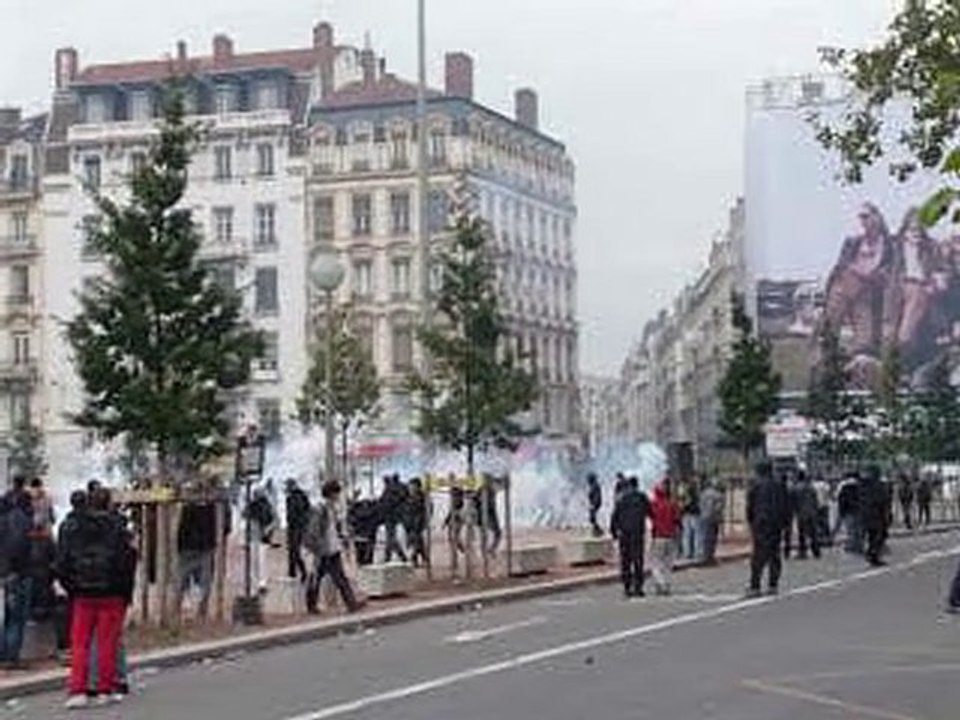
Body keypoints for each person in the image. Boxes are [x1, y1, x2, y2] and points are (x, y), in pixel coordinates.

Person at [58, 487, 132, 708]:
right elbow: (125, 562)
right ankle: (104, 689)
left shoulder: (74, 527)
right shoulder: (118, 527)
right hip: (111, 593)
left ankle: (78, 689)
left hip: (82, 593)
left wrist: (71, 586)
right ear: (109, 503)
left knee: (79, 643)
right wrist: (123, 591)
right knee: (106, 642)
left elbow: (64, 561)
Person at [303, 480, 362, 615]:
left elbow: (332, 529)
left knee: (337, 577)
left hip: (332, 549)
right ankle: (312, 605)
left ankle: (350, 603)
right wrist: (317, 548)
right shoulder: (320, 509)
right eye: (337, 493)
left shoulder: (331, 508)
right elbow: (314, 530)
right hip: (323, 550)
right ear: (331, 493)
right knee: (318, 578)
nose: (338, 496)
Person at [0, 478, 33, 668]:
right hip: (17, 573)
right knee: (17, 617)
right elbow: (19, 548)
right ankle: (11, 657)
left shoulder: (4, 520)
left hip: (5, 573)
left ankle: (4, 653)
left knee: (6, 616)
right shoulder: (20, 521)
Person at [747, 459, 788, 598]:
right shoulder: (779, 486)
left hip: (760, 524)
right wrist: (784, 523)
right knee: (774, 555)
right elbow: (785, 506)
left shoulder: (755, 487)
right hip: (776, 524)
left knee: (758, 555)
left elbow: (750, 508)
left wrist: (751, 523)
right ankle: (773, 585)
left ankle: (755, 586)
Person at [177, 495, 219, 621]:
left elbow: (181, 528)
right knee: (204, 581)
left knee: (182, 580)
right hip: (203, 547)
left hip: (188, 547)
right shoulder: (212, 507)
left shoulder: (187, 508)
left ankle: (178, 608)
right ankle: (201, 610)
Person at [610, 477, 651, 598]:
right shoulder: (641, 497)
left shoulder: (621, 499)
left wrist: (614, 532)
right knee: (638, 560)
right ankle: (638, 587)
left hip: (624, 533)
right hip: (637, 532)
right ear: (637, 485)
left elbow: (615, 516)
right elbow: (649, 512)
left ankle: (627, 587)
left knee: (625, 561)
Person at [649, 479, 680, 596]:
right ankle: (666, 584)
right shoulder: (672, 503)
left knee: (656, 563)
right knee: (668, 564)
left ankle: (660, 584)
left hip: (658, 536)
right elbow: (677, 519)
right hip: (670, 536)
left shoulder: (654, 504)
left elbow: (650, 516)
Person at [244, 489, 277, 594]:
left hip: (256, 537)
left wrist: (267, 529)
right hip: (260, 537)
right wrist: (268, 529)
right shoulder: (267, 506)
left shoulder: (255, 506)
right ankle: (260, 583)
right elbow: (275, 520)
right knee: (260, 561)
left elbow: (244, 516)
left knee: (256, 561)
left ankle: (258, 583)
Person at [859, 466, 890, 567]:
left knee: (872, 535)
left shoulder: (863, 485)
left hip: (865, 514)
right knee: (879, 535)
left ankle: (872, 554)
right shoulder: (879, 485)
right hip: (876, 514)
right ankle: (873, 554)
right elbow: (883, 500)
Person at [284, 479, 310, 582]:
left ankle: (300, 572)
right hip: (297, 527)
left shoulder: (294, 498)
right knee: (292, 550)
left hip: (296, 527)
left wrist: (298, 522)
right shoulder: (301, 496)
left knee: (294, 550)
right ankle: (292, 572)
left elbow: (296, 513)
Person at [380, 475, 409, 563]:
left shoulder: (391, 489)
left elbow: (386, 502)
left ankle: (390, 557)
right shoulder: (401, 488)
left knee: (390, 537)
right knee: (391, 537)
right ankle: (398, 556)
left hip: (392, 516)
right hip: (394, 515)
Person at [794, 472, 821, 560]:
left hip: (802, 513)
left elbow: (795, 502)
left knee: (802, 534)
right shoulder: (811, 488)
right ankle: (816, 551)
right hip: (812, 513)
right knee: (813, 533)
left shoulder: (797, 488)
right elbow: (816, 501)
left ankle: (803, 552)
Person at [699, 479, 724, 565]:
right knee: (712, 538)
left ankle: (704, 555)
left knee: (704, 537)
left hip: (703, 516)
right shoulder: (718, 495)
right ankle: (709, 556)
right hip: (713, 519)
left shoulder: (703, 494)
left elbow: (701, 505)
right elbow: (718, 508)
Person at [836, 473, 863, 554]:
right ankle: (859, 546)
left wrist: (841, 512)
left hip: (848, 511)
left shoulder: (844, 487)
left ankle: (852, 547)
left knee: (850, 530)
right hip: (858, 510)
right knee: (858, 530)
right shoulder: (860, 487)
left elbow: (841, 500)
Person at [405, 478, 429, 568]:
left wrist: (425, 521)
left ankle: (414, 558)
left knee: (416, 540)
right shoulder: (408, 497)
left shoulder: (421, 497)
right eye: (410, 487)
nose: (411, 489)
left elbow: (426, 510)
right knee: (418, 541)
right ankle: (423, 558)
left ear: (418, 487)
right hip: (409, 523)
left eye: (413, 486)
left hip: (418, 523)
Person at [678, 480, 701, 561]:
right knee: (694, 534)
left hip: (688, 514)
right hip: (692, 514)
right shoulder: (694, 494)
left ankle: (689, 552)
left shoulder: (687, 494)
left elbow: (683, 504)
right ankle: (694, 552)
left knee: (688, 534)